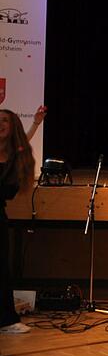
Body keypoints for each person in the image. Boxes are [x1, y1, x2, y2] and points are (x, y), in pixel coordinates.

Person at [1, 106, 45, 334]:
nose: (0, 124)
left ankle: (7, 320)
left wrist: (36, 123)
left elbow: (22, 144)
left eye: (5, 121)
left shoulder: (14, 155)